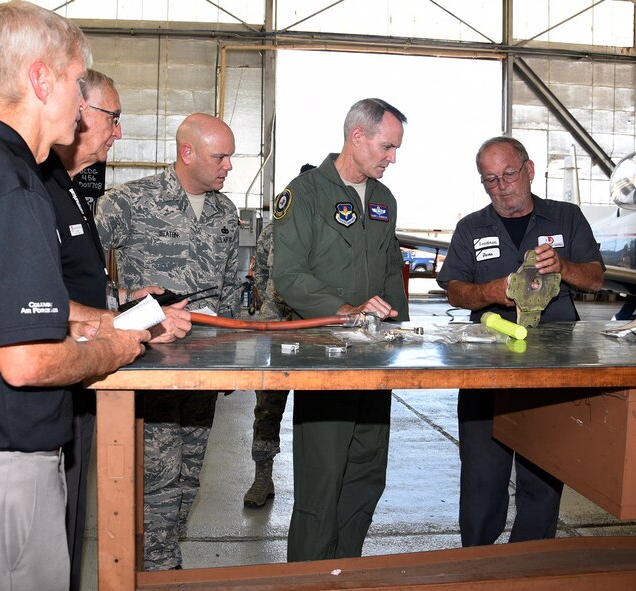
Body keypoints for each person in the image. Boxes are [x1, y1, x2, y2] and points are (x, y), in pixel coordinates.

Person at [0, 3, 156, 589]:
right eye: (76, 83)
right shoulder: (10, 189)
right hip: (0, 481)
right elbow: (27, 361)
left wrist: (97, 324)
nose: (80, 99)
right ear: (42, 80)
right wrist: (115, 347)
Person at [41, 68, 191, 590]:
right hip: (53, 379)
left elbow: (79, 289)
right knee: (47, 534)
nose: (118, 132)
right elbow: (41, 303)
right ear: (79, 112)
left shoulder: (68, 189)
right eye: (114, 117)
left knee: (68, 525)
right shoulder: (37, 189)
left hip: (78, 377)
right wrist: (138, 326)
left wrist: (134, 305)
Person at [436, 136, 605, 547]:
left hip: (552, 368)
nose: (501, 187)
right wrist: (489, 292)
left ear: (529, 170)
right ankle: (477, 563)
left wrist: (564, 267)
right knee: (481, 476)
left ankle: (529, 562)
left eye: (509, 174)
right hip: (485, 368)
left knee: (543, 477)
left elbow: (597, 279)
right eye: (489, 179)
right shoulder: (471, 227)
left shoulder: (566, 218)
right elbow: (454, 290)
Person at [95, 112, 241, 570]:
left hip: (204, 368)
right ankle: (158, 569)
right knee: (157, 476)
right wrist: (119, 305)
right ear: (187, 152)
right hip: (150, 365)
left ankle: (160, 557)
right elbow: (71, 270)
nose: (229, 167)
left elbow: (231, 289)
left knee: (191, 475)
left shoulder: (225, 212)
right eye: (221, 157)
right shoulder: (128, 202)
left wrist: (230, 361)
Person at [273, 98, 410, 561]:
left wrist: (400, 333)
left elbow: (391, 268)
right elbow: (288, 277)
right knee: (323, 476)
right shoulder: (305, 193)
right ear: (357, 137)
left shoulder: (384, 200)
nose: (392, 158)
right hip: (326, 354)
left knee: (368, 471)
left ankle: (345, 568)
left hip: (375, 355)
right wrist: (346, 310)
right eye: (387, 147)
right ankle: (309, 574)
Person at [243, 163, 314, 510]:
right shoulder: (274, 230)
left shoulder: (327, 231)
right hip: (276, 328)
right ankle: (262, 476)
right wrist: (270, 309)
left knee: (319, 409)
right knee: (268, 404)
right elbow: (261, 275)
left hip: (315, 328)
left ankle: (315, 481)